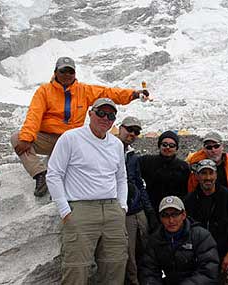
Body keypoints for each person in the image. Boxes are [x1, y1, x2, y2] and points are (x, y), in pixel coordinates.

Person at [11, 56, 149, 197]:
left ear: (75, 74)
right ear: (55, 72)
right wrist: (26, 138)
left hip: (72, 140)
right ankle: (40, 174)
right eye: (63, 71)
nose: (67, 75)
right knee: (17, 137)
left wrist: (134, 94)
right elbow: (34, 115)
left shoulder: (83, 90)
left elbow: (108, 93)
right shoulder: (44, 91)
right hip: (49, 138)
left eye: (70, 72)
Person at [46, 98, 129, 285]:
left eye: (110, 115)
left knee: (115, 266)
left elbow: (121, 177)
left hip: (112, 209)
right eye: (101, 113)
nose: (105, 118)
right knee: (76, 269)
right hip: (81, 210)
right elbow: (54, 174)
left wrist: (122, 206)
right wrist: (65, 211)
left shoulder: (116, 144)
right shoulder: (70, 138)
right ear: (90, 113)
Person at [139, 196, 220, 284]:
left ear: (183, 215)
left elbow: (209, 271)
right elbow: (148, 272)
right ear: (160, 218)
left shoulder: (201, 236)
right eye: (165, 215)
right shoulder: (155, 240)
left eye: (175, 214)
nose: (171, 220)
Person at [117, 116, 156, 285]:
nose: (132, 134)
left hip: (137, 208)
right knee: (129, 252)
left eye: (136, 131)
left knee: (146, 246)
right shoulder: (109, 149)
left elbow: (139, 183)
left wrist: (149, 211)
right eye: (129, 129)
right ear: (120, 128)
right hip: (123, 211)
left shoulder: (132, 156)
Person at [186, 131, 228, 212]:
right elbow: (192, 192)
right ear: (204, 149)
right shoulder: (196, 167)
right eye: (209, 147)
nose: (213, 150)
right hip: (207, 214)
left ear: (222, 147)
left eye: (216, 146)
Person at [139, 131, 190, 213]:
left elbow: (186, 191)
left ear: (176, 148)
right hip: (151, 209)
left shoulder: (183, 167)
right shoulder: (146, 161)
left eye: (172, 145)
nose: (168, 148)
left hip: (174, 210)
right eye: (164, 144)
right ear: (159, 146)